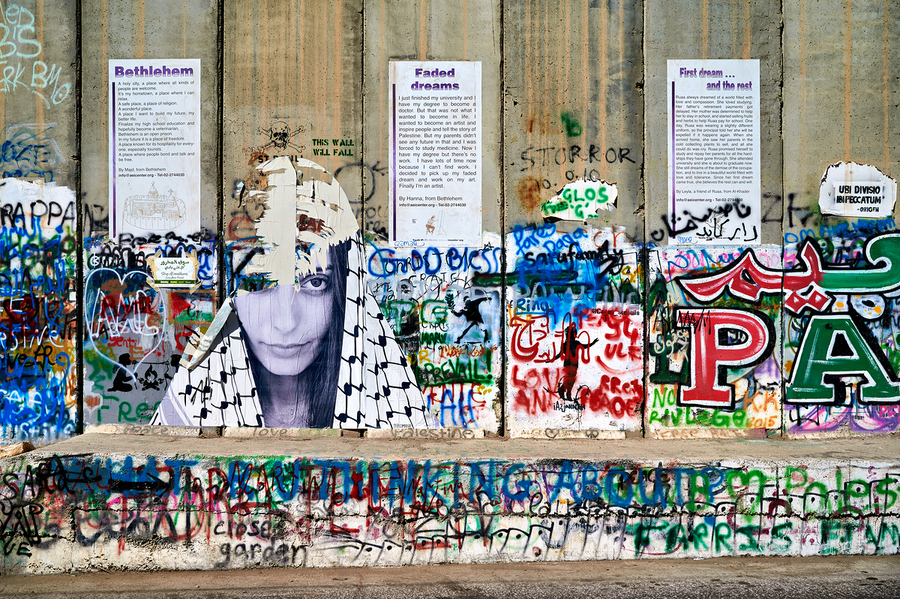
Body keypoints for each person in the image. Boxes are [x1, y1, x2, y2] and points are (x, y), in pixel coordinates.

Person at [152, 156, 432, 429]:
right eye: (260, 281)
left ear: (346, 292)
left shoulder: (389, 406)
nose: (286, 323)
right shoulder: (195, 400)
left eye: (316, 283)